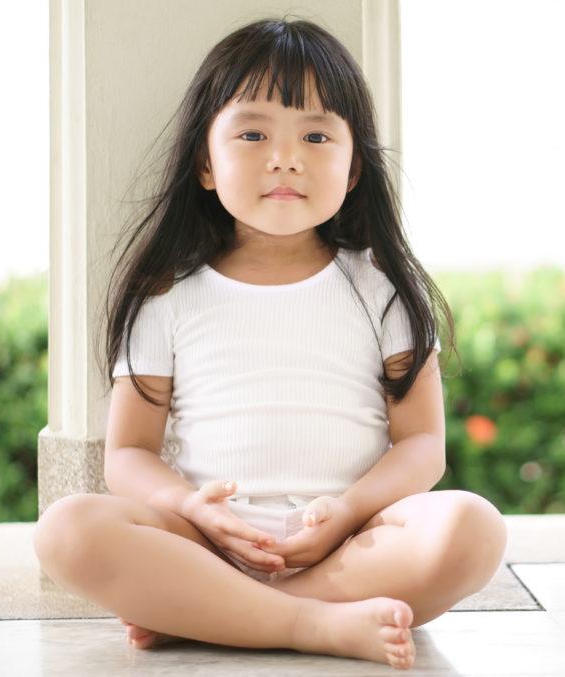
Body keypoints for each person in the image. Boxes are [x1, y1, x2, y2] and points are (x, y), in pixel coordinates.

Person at [32, 16, 507, 670]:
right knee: (67, 530)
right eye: (253, 133)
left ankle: (214, 614)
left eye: (316, 134)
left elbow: (423, 444)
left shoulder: (384, 290)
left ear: (352, 167)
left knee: (473, 529)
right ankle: (310, 623)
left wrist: (346, 511)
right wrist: (186, 505)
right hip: (204, 545)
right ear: (205, 162)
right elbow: (129, 455)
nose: (285, 156)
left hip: (349, 545)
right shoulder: (167, 295)